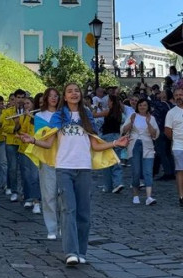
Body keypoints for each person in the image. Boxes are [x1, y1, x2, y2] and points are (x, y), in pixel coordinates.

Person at [27, 83, 127, 266]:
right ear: (64, 97)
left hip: (84, 168)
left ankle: (82, 251)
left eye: (76, 91)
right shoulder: (59, 116)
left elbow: (95, 145)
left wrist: (115, 144)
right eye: (69, 91)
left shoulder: (86, 115)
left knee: (84, 212)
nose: (74, 94)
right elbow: (48, 143)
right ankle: (71, 252)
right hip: (64, 167)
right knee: (68, 209)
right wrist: (33, 140)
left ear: (80, 95)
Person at [27, 87, 60, 238]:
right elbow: (40, 137)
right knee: (49, 194)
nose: (53, 98)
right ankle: (52, 228)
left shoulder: (63, 115)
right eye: (51, 96)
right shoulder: (39, 116)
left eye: (56, 96)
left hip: (64, 157)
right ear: (46, 98)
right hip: (47, 157)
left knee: (64, 195)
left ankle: (63, 225)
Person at [121, 98, 159, 206]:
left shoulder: (152, 118)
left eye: (145, 105)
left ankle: (149, 196)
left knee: (148, 171)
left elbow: (155, 135)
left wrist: (148, 123)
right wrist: (131, 122)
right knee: (136, 171)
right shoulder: (133, 116)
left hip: (147, 146)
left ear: (148, 107)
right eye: (140, 105)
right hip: (134, 145)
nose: (142, 107)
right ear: (137, 106)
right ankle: (135, 194)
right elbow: (124, 130)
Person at [98, 94, 125, 193]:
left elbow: (94, 115)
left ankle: (108, 186)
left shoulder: (108, 111)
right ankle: (118, 183)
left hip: (107, 138)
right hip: (117, 137)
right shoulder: (119, 112)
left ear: (112, 102)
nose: (107, 102)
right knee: (116, 161)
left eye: (108, 101)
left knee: (106, 162)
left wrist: (96, 107)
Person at [150, 89, 175, 180]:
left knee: (162, 152)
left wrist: (150, 92)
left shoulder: (160, 104)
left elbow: (150, 101)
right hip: (168, 130)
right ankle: (172, 171)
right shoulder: (171, 105)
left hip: (160, 130)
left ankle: (168, 172)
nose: (160, 92)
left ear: (165, 96)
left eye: (163, 92)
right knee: (168, 152)